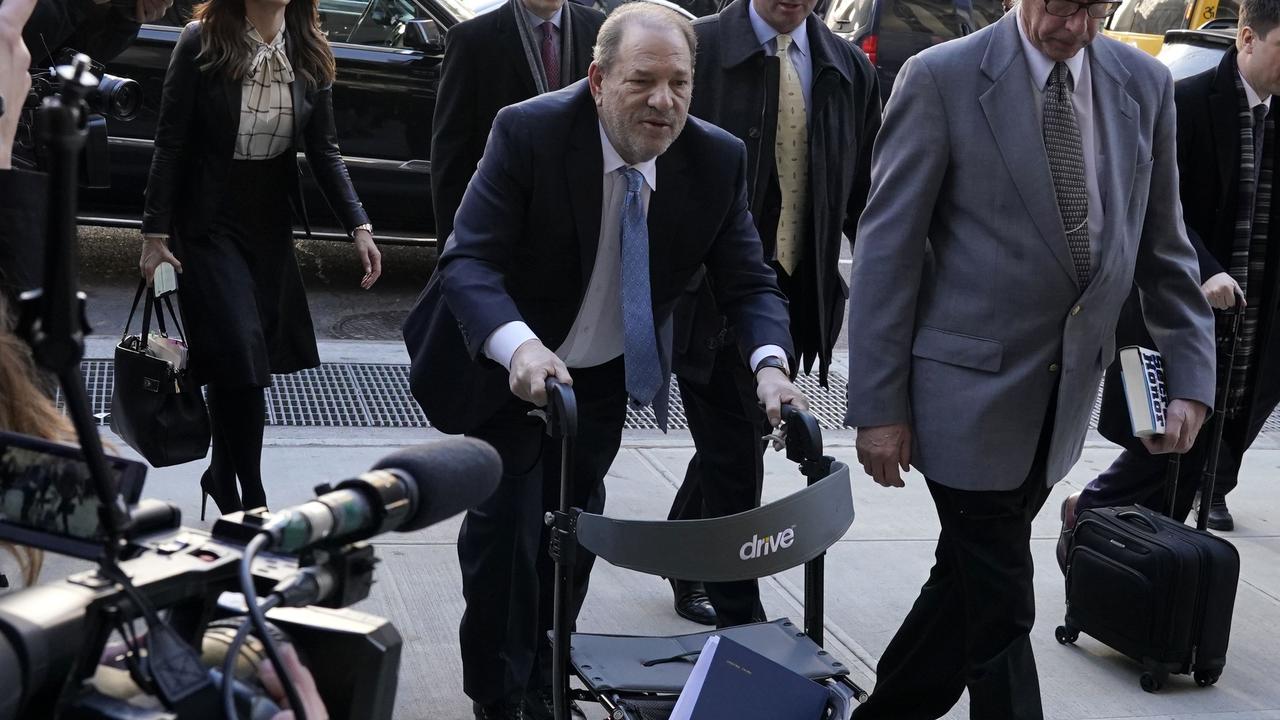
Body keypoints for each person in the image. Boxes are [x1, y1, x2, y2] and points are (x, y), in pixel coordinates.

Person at [403, 4, 804, 717]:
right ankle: (503, 697)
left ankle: (546, 668)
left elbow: (748, 282)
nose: (663, 101)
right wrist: (519, 347)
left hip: (601, 378)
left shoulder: (713, 160)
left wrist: (770, 365)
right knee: (509, 534)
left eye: (679, 83)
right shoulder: (528, 131)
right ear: (596, 79)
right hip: (510, 367)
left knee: (573, 530)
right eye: (643, 81)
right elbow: (468, 261)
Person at [843, 0, 1217, 716]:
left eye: (1094, 10)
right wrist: (879, 407)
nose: (1073, 27)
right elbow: (888, 258)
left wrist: (1191, 377)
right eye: (1057, 5)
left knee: (962, 592)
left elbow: (1164, 250)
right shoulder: (939, 77)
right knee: (1004, 614)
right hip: (962, 402)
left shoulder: (1144, 83)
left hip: (1060, 408)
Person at [664, 0, 881, 627]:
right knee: (736, 446)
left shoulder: (845, 66)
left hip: (793, 292)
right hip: (707, 292)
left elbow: (862, 189)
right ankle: (736, 602)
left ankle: (684, 541)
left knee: (742, 436)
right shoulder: (693, 48)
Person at [137, 0, 382, 519]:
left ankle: (221, 478)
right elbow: (170, 141)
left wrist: (357, 225)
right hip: (207, 218)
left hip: (268, 220)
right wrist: (154, 233)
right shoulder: (200, 41)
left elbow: (325, 148)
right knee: (243, 354)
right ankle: (254, 498)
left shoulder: (310, 49)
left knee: (238, 359)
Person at [1067, 0, 1280, 539]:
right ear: (1248, 38)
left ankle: (1135, 559)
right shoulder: (1184, 101)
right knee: (1160, 449)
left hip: (1250, 322)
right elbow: (1160, 211)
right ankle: (1091, 519)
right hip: (1181, 308)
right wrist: (1205, 271)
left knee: (1202, 448)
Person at [430, 0, 604, 244]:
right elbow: (451, 154)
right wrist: (451, 247)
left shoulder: (600, 28)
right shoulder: (471, 39)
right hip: (504, 217)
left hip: (580, 219)